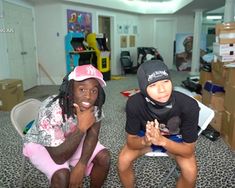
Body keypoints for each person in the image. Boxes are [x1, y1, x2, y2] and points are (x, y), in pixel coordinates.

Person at [23, 64, 110, 188]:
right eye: (82, 89)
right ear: (69, 90)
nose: (88, 96)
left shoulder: (94, 106)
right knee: (62, 175)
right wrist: (81, 127)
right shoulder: (50, 109)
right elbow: (58, 158)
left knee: (104, 157)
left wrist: (81, 165)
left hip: (70, 137)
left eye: (94, 90)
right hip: (40, 144)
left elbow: (92, 136)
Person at [118, 60, 200, 188]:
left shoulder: (189, 106)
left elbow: (188, 150)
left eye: (165, 81)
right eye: (153, 85)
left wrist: (161, 141)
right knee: (123, 162)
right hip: (145, 137)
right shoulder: (134, 103)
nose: (162, 90)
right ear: (143, 88)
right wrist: (145, 140)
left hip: (175, 140)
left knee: (191, 172)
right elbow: (131, 141)